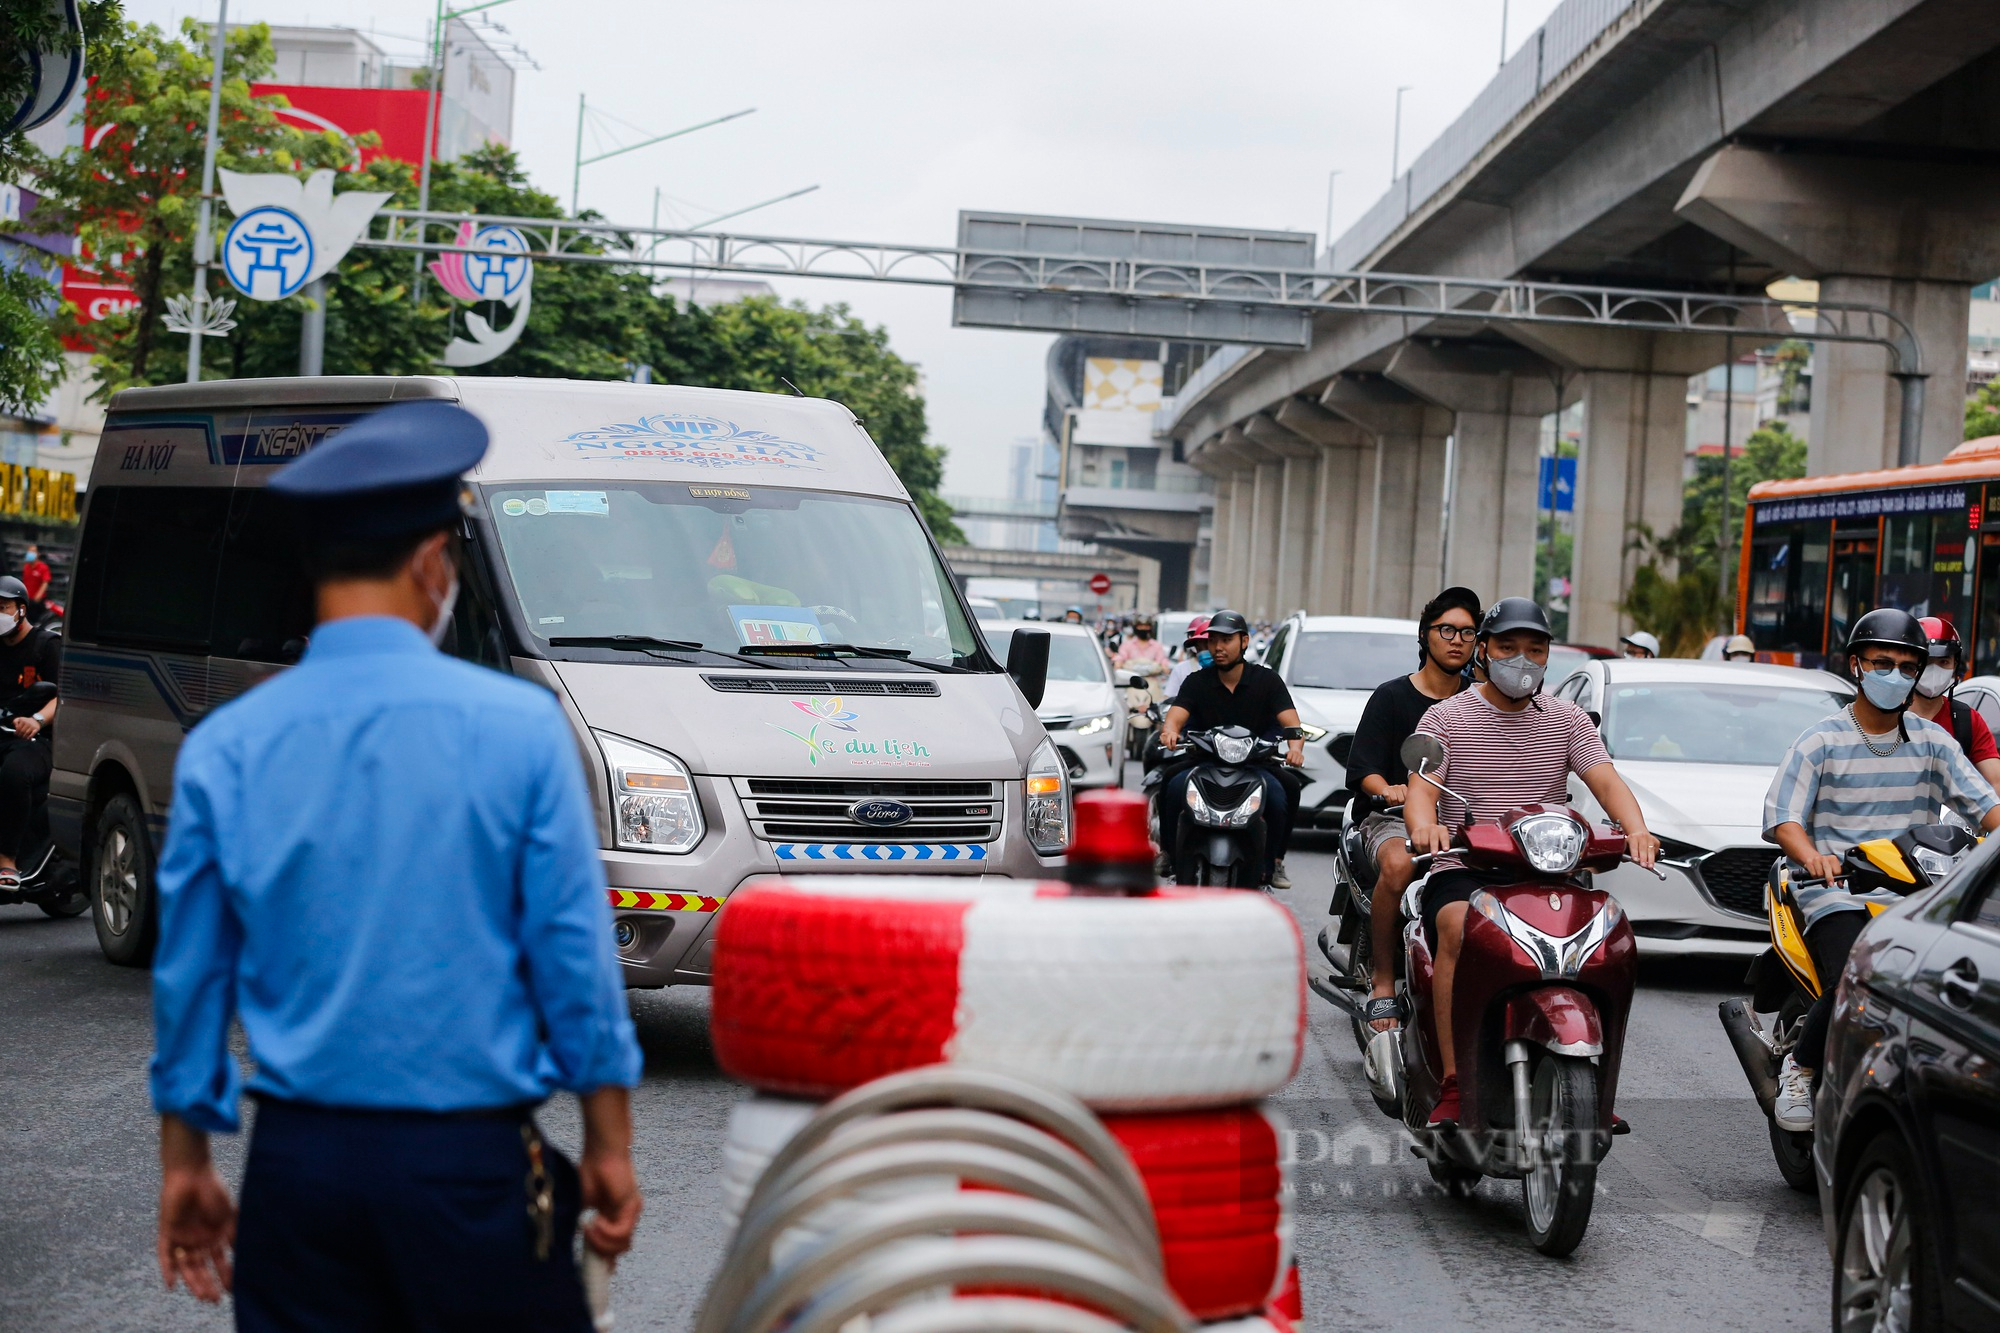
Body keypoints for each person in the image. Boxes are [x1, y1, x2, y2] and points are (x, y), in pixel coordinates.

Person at [149, 401, 644, 1330]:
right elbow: (572, 958)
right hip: (469, 1172)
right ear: (430, 562)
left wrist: (186, 1164)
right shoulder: (521, 729)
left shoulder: (226, 747)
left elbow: (190, 980)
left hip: (299, 1173)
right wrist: (608, 1143)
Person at [1404, 597, 1661, 1126]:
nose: (1522, 659)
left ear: (1549, 656)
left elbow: (1605, 780)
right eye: (1507, 647)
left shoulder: (1567, 720)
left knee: (1613, 940)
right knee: (1456, 928)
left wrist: (1636, 830)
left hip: (1549, 870)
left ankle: (1596, 1087)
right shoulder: (1446, 715)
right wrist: (1425, 825)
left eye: (1535, 649)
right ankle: (1455, 1081)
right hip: (1465, 867)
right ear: (1483, 651)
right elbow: (1420, 790)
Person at [1762, 607, 2000, 1131]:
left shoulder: (1934, 742)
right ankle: (1801, 1070)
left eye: (1907, 666)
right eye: (1882, 663)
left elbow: (1986, 805)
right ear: (1857, 666)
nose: (1896, 675)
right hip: (1834, 890)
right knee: (1859, 973)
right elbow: (1784, 821)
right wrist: (1814, 857)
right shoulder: (1819, 741)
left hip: (1914, 891)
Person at [1346, 586, 1481, 1032]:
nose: (1457, 640)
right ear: (1426, 636)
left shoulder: (1483, 700)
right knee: (1401, 865)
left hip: (1461, 821)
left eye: (1467, 631)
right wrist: (1390, 789)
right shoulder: (1391, 697)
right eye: (1447, 630)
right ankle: (1384, 981)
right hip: (1390, 818)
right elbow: (1362, 768)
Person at [1156, 610, 1306, 889]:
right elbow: (1175, 717)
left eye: (1226, 640)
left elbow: (1292, 726)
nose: (1218, 647)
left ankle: (1274, 861)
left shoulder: (1267, 681)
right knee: (1171, 783)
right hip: (1203, 761)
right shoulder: (1196, 681)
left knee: (1286, 790)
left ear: (1245, 641)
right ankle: (1168, 853)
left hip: (1257, 764)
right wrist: (1170, 732)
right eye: (1213, 640)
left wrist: (1295, 748)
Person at [0, 574, 59, 888]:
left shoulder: (46, 645)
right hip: (1, 733)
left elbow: (62, 695)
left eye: (3, 606)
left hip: (35, 740)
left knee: (14, 773)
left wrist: (36, 719)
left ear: (21, 609)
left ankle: (7, 860)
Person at [1906, 616, 2000, 790]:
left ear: (1955, 666)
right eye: (1927, 661)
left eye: (1944, 662)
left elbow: (1996, 783)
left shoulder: (1968, 721)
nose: (1935, 670)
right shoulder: (1888, 714)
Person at [1162, 615, 1213, 702]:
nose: (1203, 646)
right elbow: (1169, 699)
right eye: (1198, 643)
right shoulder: (1181, 669)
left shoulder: (1225, 669)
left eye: (1206, 641)